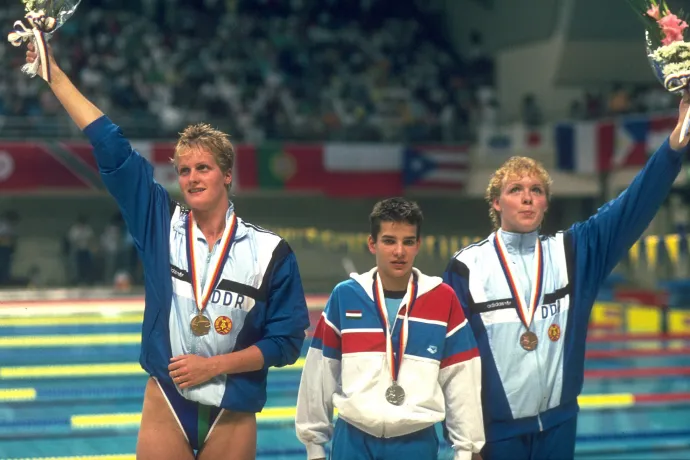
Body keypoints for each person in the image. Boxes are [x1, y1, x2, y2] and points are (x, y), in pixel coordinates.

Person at [24, 43, 310, 459]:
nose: (192, 178)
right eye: (184, 170)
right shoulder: (161, 223)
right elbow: (111, 146)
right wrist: (54, 75)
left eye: (203, 168)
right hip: (167, 401)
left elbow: (285, 342)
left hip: (232, 411)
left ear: (227, 174)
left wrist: (214, 367)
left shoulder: (271, 252)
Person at [443, 92, 690, 460]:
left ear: (545, 203)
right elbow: (451, 359)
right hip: (496, 434)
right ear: (496, 202)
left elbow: (632, 205)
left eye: (536, 190)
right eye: (515, 190)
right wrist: (466, 442)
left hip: (559, 427)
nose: (527, 198)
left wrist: (675, 145)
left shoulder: (574, 253)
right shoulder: (466, 268)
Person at [296, 197, 485, 460]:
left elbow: (461, 377)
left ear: (418, 245)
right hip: (353, 439)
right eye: (389, 241)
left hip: (416, 441)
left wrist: (467, 449)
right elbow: (320, 372)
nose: (399, 251)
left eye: (408, 241)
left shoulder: (443, 299)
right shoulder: (346, 296)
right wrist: (314, 447)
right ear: (372, 244)